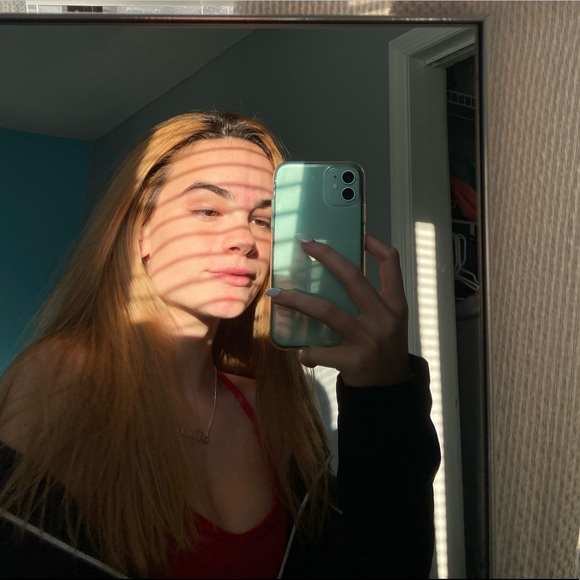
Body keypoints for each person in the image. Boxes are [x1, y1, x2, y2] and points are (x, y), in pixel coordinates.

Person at [0, 110, 440, 579]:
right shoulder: (62, 380)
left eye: (264, 220)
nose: (244, 240)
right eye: (208, 210)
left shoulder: (273, 410)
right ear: (140, 231)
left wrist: (383, 393)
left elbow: (383, 561)